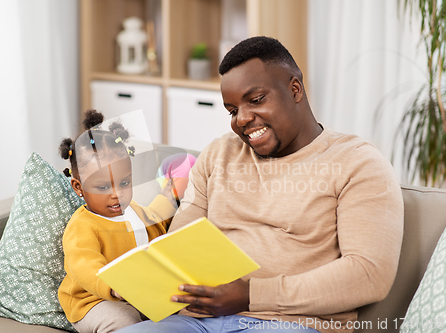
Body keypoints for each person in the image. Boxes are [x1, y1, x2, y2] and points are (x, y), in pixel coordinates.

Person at [116, 36, 404, 333]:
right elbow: (178, 246)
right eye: (232, 110)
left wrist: (251, 295)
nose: (242, 119)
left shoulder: (358, 163)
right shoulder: (218, 154)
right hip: (194, 321)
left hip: (289, 325)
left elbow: (370, 274)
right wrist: (143, 282)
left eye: (255, 100)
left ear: (295, 90)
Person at [57, 110, 194, 333]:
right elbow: (84, 266)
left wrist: (171, 194)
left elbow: (155, 220)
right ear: (78, 187)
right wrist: (114, 285)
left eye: (124, 183)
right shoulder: (83, 226)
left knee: (184, 309)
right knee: (124, 321)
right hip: (95, 301)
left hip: (139, 294)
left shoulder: (133, 210)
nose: (117, 194)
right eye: (103, 187)